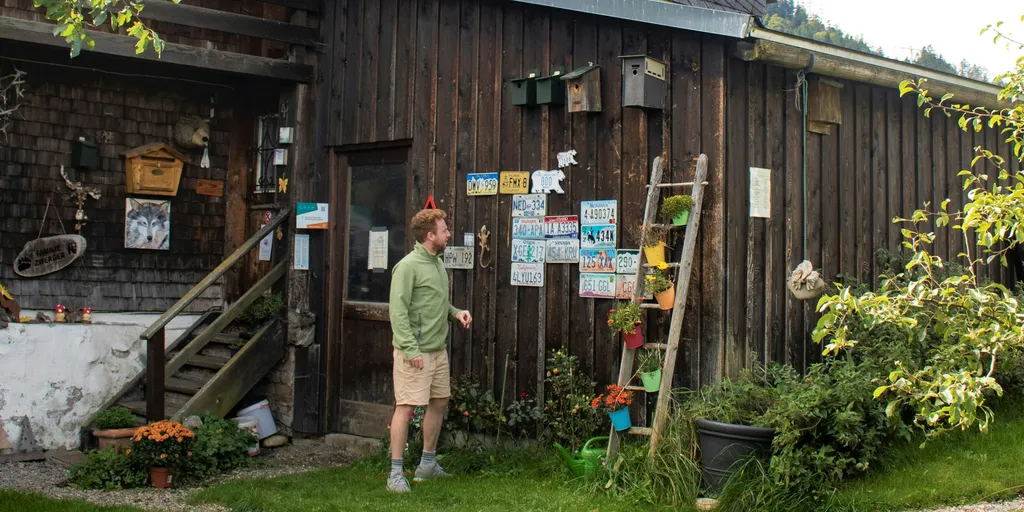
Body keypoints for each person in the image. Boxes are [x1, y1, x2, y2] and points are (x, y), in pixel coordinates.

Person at [386, 208, 472, 493]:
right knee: (406, 407)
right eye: (444, 230)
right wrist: (411, 349)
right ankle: (395, 475)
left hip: (437, 351)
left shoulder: (436, 263)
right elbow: (398, 314)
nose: (449, 234)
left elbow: (434, 304)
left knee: (439, 402)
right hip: (415, 353)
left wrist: (456, 313)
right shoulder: (407, 267)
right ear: (429, 235)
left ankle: (427, 465)